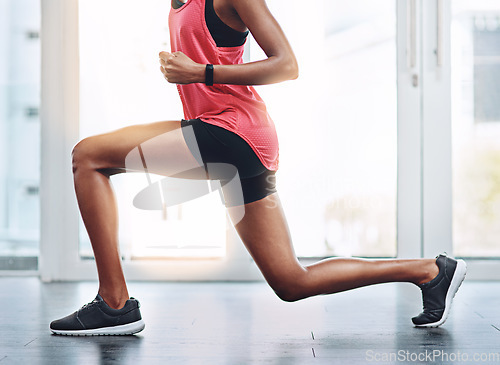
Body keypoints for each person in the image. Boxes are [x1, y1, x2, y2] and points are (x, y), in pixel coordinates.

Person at [49, 0, 467, 336]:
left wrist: (203, 72)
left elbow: (287, 64)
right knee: (291, 281)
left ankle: (115, 303)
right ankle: (430, 271)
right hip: (239, 139)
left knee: (89, 156)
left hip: (233, 132)